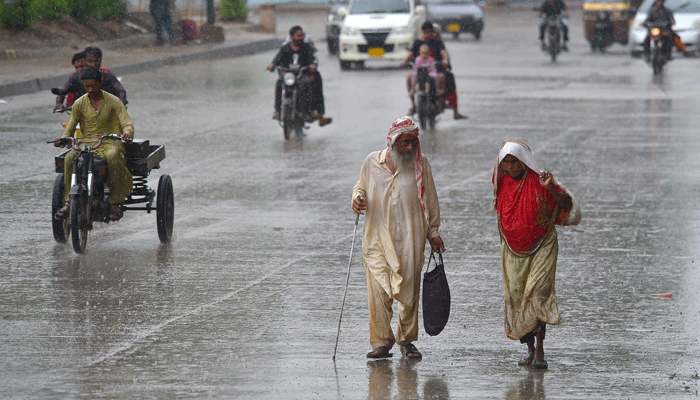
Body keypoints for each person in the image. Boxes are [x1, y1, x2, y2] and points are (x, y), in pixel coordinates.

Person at [352, 116, 445, 360]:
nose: (407, 148)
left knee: (409, 291)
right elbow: (360, 187)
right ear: (392, 142)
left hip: (411, 238)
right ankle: (381, 342)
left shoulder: (420, 164)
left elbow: (430, 200)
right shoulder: (372, 162)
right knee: (378, 291)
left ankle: (407, 341)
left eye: (412, 143)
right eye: (403, 143)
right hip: (377, 239)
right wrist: (358, 198)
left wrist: (433, 232)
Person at [492, 139, 581, 369]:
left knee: (537, 296)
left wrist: (549, 187)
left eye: (514, 162)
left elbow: (566, 204)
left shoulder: (540, 179)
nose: (510, 167)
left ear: (523, 161)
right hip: (512, 249)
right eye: (506, 163)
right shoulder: (501, 183)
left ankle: (540, 350)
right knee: (517, 298)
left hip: (542, 245)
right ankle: (530, 349)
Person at [54, 67, 135, 222]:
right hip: (86, 144)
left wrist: (127, 133)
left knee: (112, 156)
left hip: (110, 143)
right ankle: (68, 201)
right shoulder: (79, 104)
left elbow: (127, 124)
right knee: (70, 157)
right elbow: (70, 127)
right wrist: (63, 139)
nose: (90, 90)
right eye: (87, 87)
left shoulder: (113, 101)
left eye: (93, 86)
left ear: (100, 82)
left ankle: (115, 201)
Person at [267, 26, 332, 127]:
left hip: (302, 75)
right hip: (289, 76)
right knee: (279, 83)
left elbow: (312, 58)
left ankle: (307, 112)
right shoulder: (285, 48)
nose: (300, 38)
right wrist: (272, 65)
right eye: (298, 36)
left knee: (307, 83)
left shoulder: (306, 47)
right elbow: (277, 59)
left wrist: (312, 65)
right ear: (292, 37)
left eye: (301, 36)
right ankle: (278, 111)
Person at [401, 21, 466, 120]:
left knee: (445, 78)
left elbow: (443, 52)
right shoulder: (417, 42)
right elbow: (411, 53)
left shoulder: (437, 42)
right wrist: (404, 61)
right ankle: (414, 105)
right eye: (425, 32)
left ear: (433, 32)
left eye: (429, 32)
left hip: (436, 69)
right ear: (422, 32)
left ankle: (445, 106)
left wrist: (445, 60)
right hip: (420, 71)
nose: (427, 35)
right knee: (409, 77)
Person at [54, 47, 127, 111]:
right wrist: (58, 104)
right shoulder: (75, 77)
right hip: (82, 114)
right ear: (85, 61)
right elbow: (62, 92)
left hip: (106, 114)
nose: (93, 64)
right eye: (90, 61)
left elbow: (121, 91)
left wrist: (121, 101)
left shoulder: (108, 77)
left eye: (96, 61)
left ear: (100, 61)